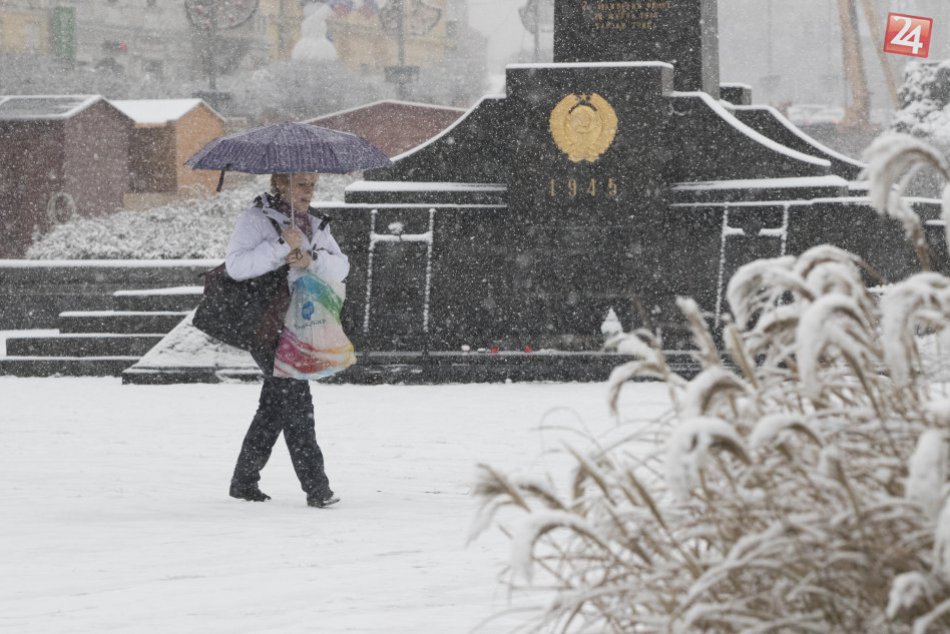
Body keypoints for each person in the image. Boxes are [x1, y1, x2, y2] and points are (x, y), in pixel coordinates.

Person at [225, 172, 349, 508]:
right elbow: (235, 266)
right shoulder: (256, 220)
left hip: (299, 322)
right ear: (280, 185)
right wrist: (282, 246)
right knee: (296, 402)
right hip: (263, 323)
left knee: (274, 406)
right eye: (301, 184)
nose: (310, 190)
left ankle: (244, 480)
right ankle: (317, 488)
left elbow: (342, 267)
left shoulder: (316, 223)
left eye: (312, 184)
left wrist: (312, 260)